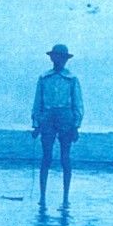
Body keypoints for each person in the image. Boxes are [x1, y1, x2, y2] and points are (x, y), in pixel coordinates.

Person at [31, 44, 84, 210]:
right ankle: (42, 196)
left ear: (66, 59)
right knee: (46, 157)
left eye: (62, 57)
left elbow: (78, 104)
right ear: (52, 58)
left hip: (66, 118)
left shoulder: (72, 79)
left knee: (65, 158)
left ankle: (66, 197)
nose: (58, 60)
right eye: (56, 56)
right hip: (47, 118)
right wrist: (36, 124)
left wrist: (76, 126)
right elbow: (37, 102)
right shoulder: (44, 78)